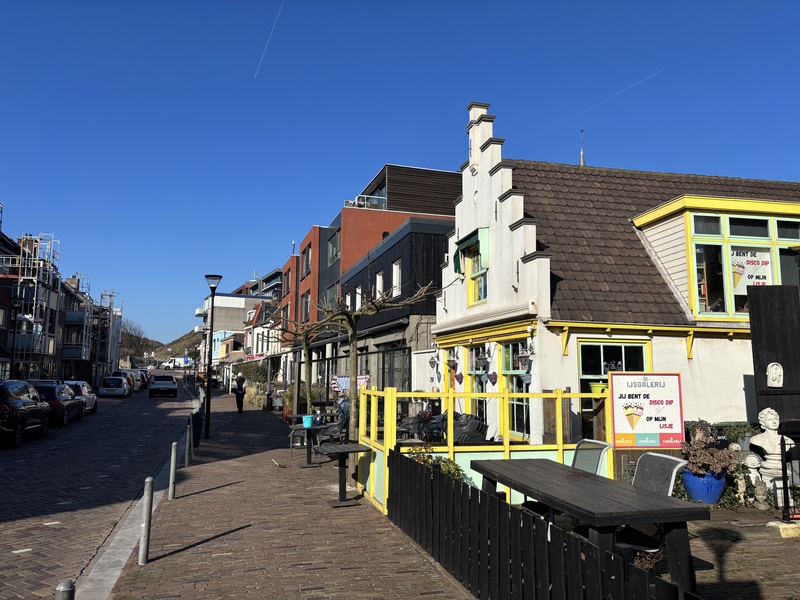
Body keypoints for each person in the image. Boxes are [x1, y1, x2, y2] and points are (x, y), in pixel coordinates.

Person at [749, 407, 795, 487]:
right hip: (769, 468)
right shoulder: (757, 439)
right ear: (763, 423)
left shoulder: (787, 440)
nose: (774, 422)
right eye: (770, 420)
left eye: (775, 419)